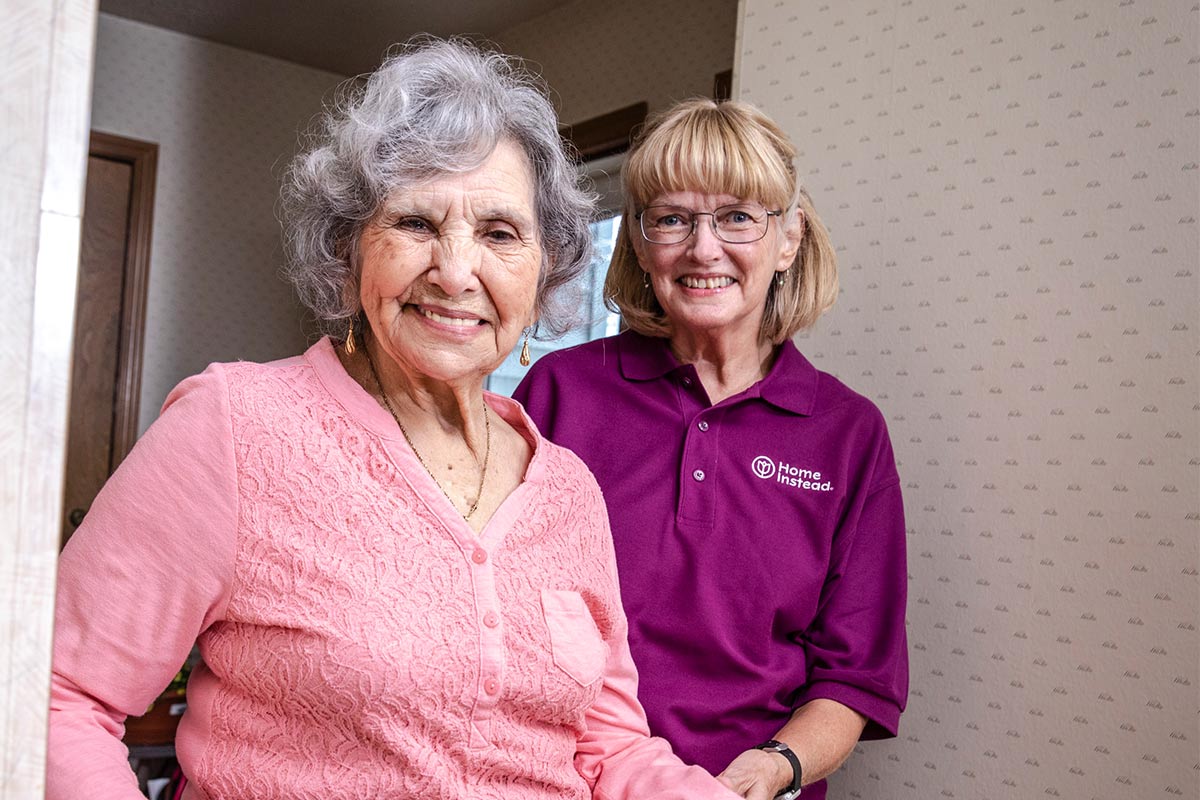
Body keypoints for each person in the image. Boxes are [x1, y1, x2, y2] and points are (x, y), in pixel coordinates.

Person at [47, 40, 741, 800]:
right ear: (348, 249)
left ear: (545, 271)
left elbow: (607, 748)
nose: (454, 270)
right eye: (414, 222)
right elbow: (58, 699)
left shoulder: (569, 490)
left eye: (500, 234)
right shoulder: (235, 428)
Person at [513, 98, 909, 800]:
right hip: (559, 781)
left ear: (788, 239)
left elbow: (855, 678)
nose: (703, 249)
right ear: (639, 243)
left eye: (737, 217)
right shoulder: (559, 395)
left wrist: (775, 767)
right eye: (671, 218)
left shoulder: (848, 434)